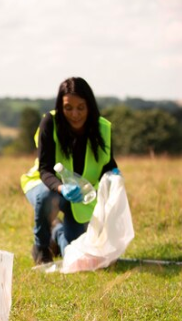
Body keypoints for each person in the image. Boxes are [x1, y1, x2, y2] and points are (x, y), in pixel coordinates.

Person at [20, 77, 119, 265]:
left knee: (76, 258)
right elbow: (45, 169)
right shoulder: (50, 122)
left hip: (80, 195)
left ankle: (57, 233)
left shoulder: (103, 128)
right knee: (47, 196)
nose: (75, 114)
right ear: (60, 106)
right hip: (46, 186)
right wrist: (61, 188)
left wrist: (114, 173)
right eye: (68, 108)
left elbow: (108, 164)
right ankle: (41, 248)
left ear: (90, 106)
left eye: (81, 107)